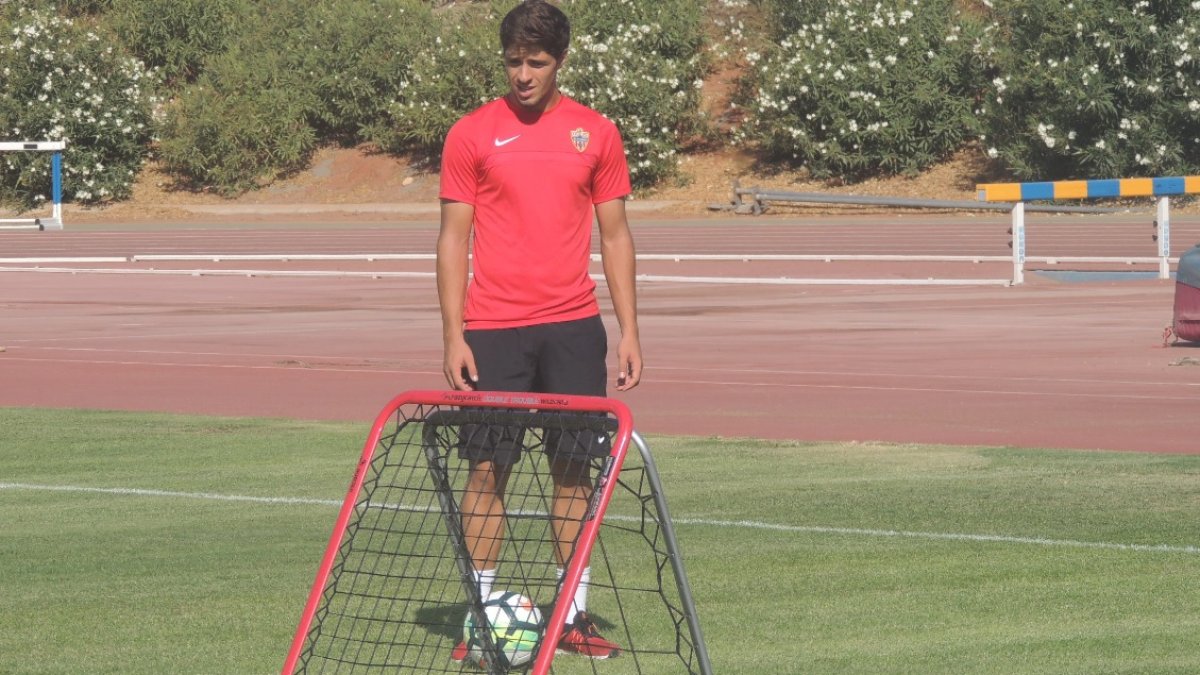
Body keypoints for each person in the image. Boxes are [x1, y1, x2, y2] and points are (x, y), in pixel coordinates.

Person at [436, 0, 642, 662]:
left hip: (575, 328)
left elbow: (616, 236)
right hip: (493, 329)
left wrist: (629, 329)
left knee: (572, 470)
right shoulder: (471, 134)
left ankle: (573, 615)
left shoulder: (596, 133)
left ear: (560, 62)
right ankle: (481, 613)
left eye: (537, 63)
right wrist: (452, 333)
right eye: (514, 62)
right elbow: (451, 240)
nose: (523, 74)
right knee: (487, 469)